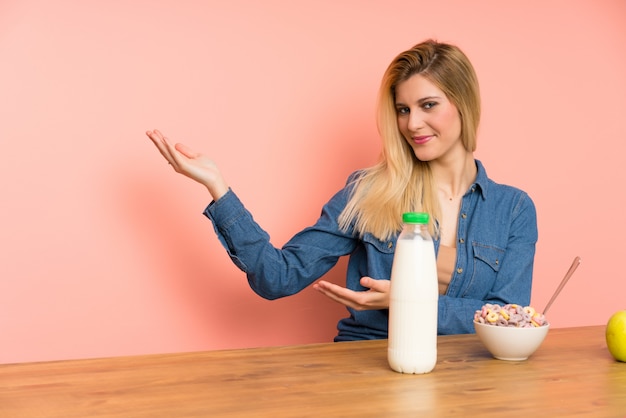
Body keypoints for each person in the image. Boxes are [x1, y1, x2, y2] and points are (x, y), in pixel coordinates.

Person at [145, 39, 538, 341]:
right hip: (369, 362)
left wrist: (409, 303)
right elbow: (277, 277)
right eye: (403, 109)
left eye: (428, 105)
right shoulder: (369, 191)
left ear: (463, 104)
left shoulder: (513, 209)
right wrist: (219, 188)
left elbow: (506, 316)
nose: (413, 123)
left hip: (465, 376)